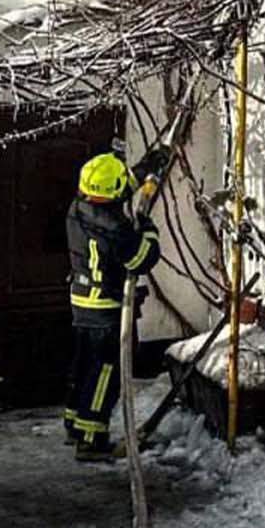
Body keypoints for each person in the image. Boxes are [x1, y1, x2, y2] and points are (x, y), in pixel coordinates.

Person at [64, 151, 160, 462]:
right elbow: (142, 258)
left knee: (83, 365)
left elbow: (120, 187)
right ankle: (91, 439)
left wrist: (147, 167)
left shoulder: (77, 209)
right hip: (107, 308)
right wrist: (147, 228)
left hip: (81, 302)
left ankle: (75, 423)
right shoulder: (117, 228)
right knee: (107, 371)